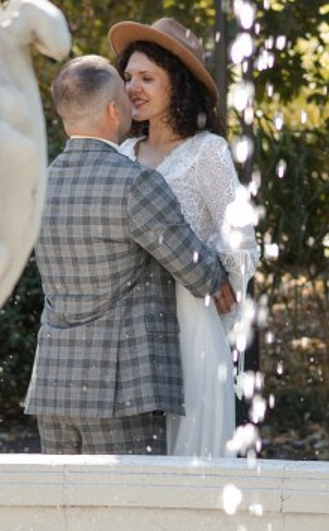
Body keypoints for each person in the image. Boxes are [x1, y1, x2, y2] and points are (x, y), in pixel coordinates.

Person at [24, 54, 235, 455]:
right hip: (119, 389)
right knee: (129, 513)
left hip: (53, 386)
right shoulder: (136, 183)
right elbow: (194, 267)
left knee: (65, 514)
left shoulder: (43, 181)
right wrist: (218, 276)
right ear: (111, 109)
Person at [109, 17, 259, 458]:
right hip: (130, 322)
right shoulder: (120, 155)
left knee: (191, 449)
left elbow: (241, 235)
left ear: (178, 84)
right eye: (128, 77)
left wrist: (215, 279)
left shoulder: (206, 152)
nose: (133, 87)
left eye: (147, 78)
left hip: (189, 317)